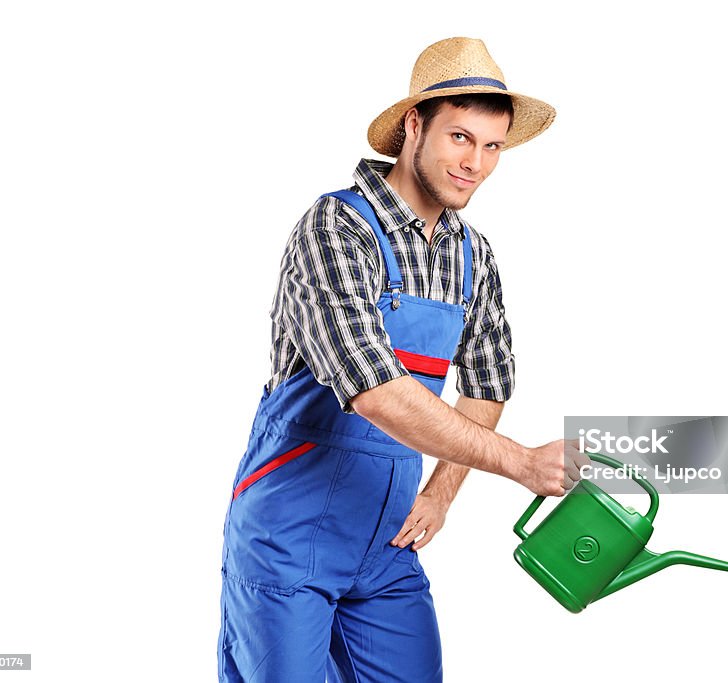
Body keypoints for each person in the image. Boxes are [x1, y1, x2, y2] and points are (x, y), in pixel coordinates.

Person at [217, 37, 589, 682]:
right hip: (287, 537)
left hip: (386, 546)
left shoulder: (473, 255)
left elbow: (487, 382)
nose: (476, 163)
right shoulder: (337, 228)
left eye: (492, 146)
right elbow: (375, 390)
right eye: (460, 139)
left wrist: (441, 493)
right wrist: (521, 463)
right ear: (414, 126)